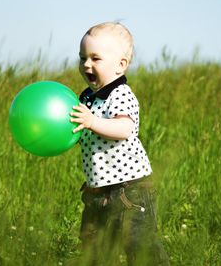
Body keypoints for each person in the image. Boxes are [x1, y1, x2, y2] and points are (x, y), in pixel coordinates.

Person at [69, 22, 169, 265]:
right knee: (95, 251)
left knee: (140, 246)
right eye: (83, 58)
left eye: (96, 58)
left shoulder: (120, 94)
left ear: (120, 65)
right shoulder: (87, 97)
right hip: (97, 191)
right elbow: (88, 131)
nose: (86, 65)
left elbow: (124, 129)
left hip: (129, 191)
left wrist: (91, 121)